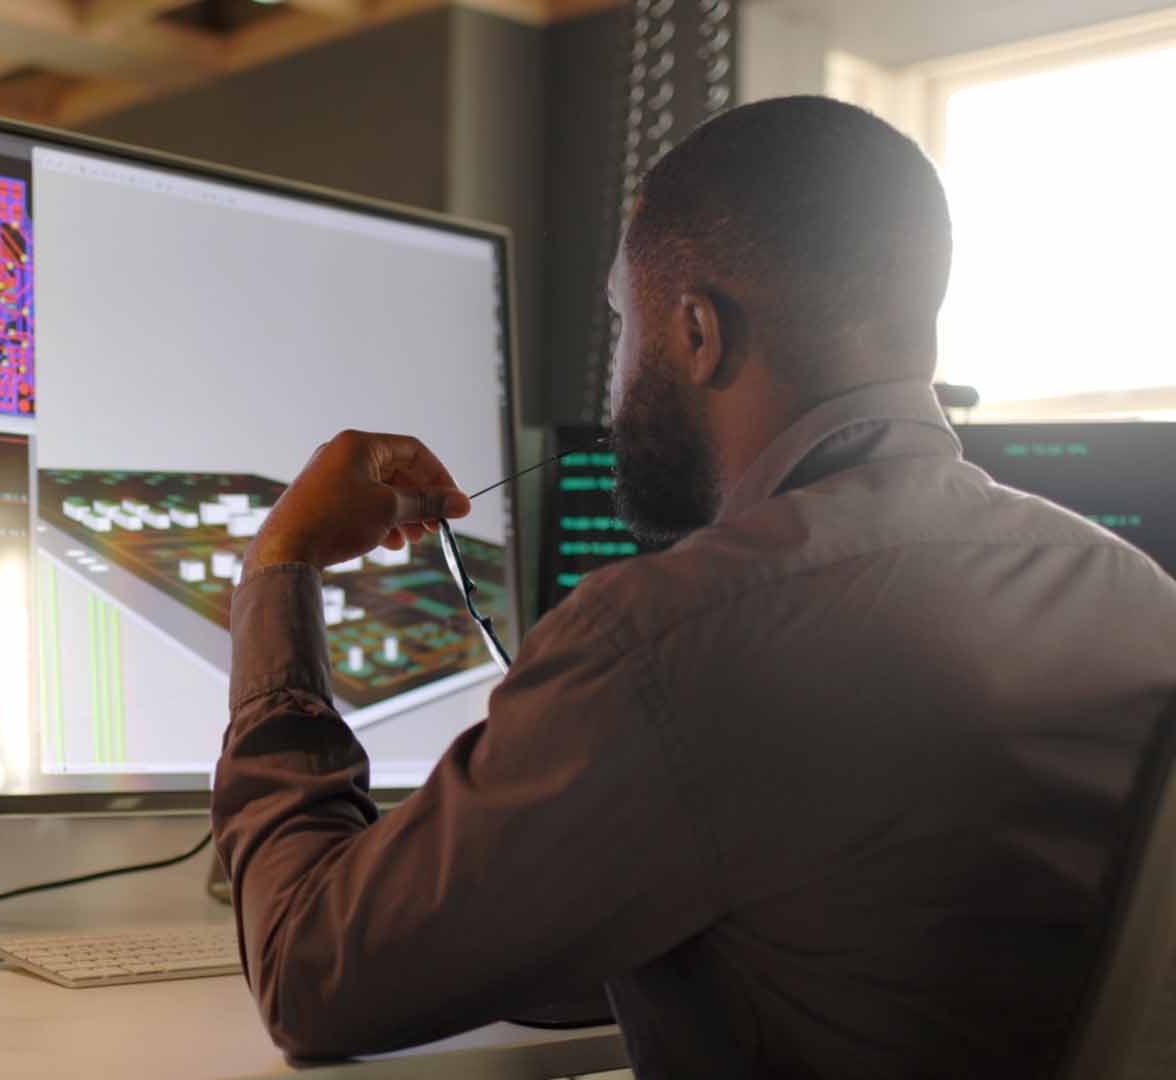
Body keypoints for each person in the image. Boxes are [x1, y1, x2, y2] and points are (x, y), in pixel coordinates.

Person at [213, 95, 1176, 1078]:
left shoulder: (675, 638)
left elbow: (310, 972)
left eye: (624, 324)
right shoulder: (1134, 596)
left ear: (697, 331)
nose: (617, 374)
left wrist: (278, 563)